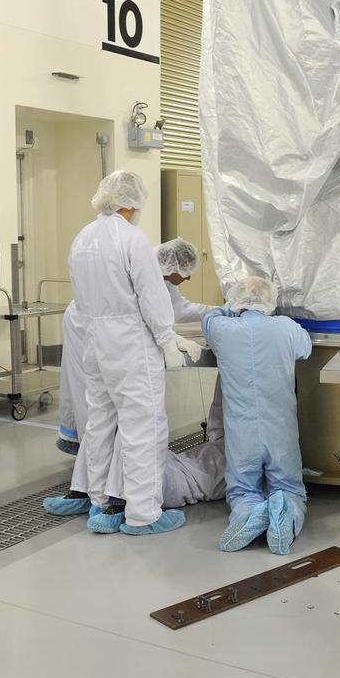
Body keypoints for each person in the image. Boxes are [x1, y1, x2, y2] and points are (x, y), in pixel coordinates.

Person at [44, 237, 223, 516]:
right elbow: (146, 313)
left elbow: (164, 310)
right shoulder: (141, 267)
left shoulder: (94, 244)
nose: (186, 279)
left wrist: (209, 315)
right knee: (130, 425)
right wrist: (169, 340)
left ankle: (94, 496)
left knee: (101, 420)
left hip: (102, 339)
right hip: (109, 342)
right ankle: (121, 505)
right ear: (173, 265)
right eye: (185, 273)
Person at [66, 171, 201, 535]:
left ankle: (99, 505)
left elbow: (81, 297)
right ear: (132, 202)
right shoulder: (132, 240)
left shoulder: (82, 238)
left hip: (95, 341)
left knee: (100, 423)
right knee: (143, 427)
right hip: (129, 343)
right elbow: (151, 297)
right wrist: (167, 340)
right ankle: (143, 514)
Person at [202, 276, 312, 555]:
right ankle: (284, 512)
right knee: (289, 487)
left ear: (235, 300)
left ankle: (249, 514)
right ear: (270, 300)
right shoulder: (286, 328)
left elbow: (208, 318)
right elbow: (306, 349)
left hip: (242, 432)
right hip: (280, 429)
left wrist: (230, 309)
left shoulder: (222, 329)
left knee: (242, 491)